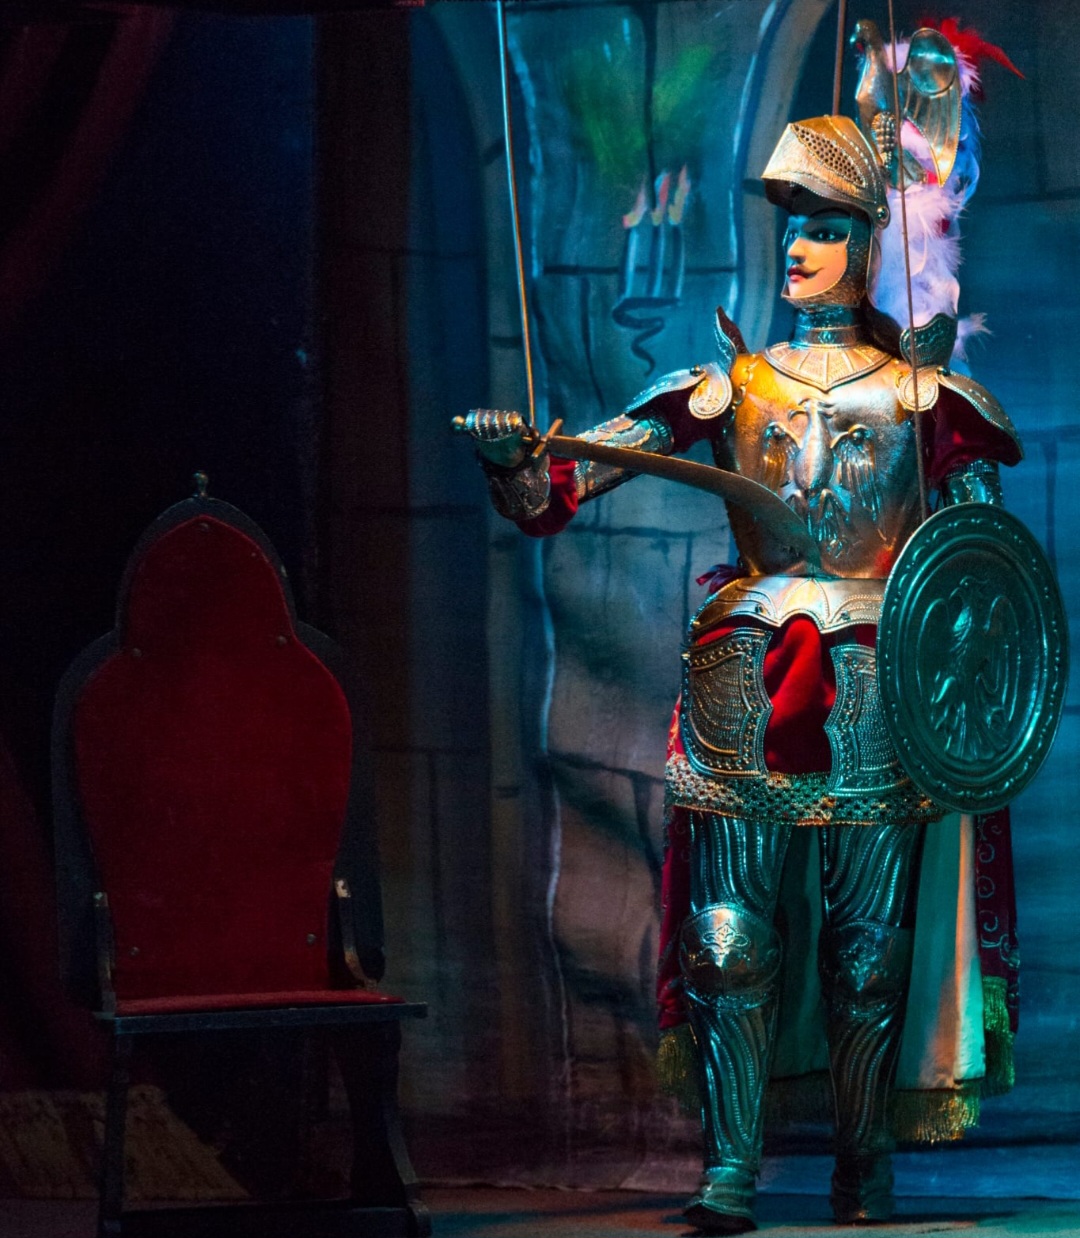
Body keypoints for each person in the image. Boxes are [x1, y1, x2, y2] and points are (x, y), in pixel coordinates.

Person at [457, 39, 1026, 1233]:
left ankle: (865, 1170)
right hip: (748, 674)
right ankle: (728, 1170)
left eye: (822, 227)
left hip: (875, 680)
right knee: (727, 942)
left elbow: (984, 577)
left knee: (868, 956)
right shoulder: (728, 384)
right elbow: (565, 487)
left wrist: (970, 673)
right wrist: (516, 463)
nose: (799, 247)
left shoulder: (925, 401)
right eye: (791, 228)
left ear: (866, 239)